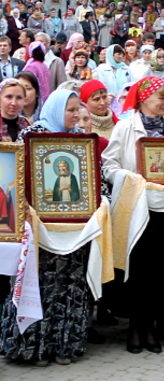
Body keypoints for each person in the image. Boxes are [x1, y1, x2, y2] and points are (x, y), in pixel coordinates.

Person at [102, 76, 164, 354]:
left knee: (160, 269)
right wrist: (131, 177)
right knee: (137, 270)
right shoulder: (126, 127)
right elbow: (109, 165)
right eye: (161, 98)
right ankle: (135, 328)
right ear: (143, 99)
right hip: (136, 208)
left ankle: (151, 326)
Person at [2, 90, 87, 367]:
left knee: (69, 286)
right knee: (39, 285)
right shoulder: (32, 136)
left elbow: (90, 180)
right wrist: (27, 207)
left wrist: (96, 204)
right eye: (71, 110)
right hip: (38, 227)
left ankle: (65, 345)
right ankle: (32, 347)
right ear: (56, 109)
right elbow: (15, 173)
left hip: (72, 229)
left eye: (77, 110)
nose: (76, 115)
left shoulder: (80, 141)